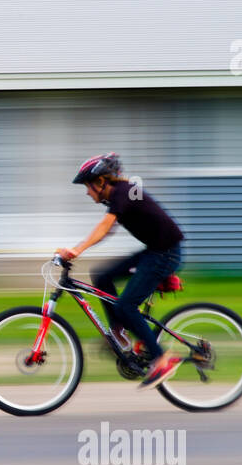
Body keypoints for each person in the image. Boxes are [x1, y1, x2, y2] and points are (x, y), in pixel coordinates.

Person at [55, 152, 185, 389]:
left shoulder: (123, 192)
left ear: (101, 182)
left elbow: (105, 227)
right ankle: (119, 331)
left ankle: (162, 359)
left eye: (88, 186)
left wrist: (76, 250)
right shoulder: (120, 197)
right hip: (155, 251)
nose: (87, 192)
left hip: (164, 254)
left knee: (126, 306)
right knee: (102, 276)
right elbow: (109, 228)